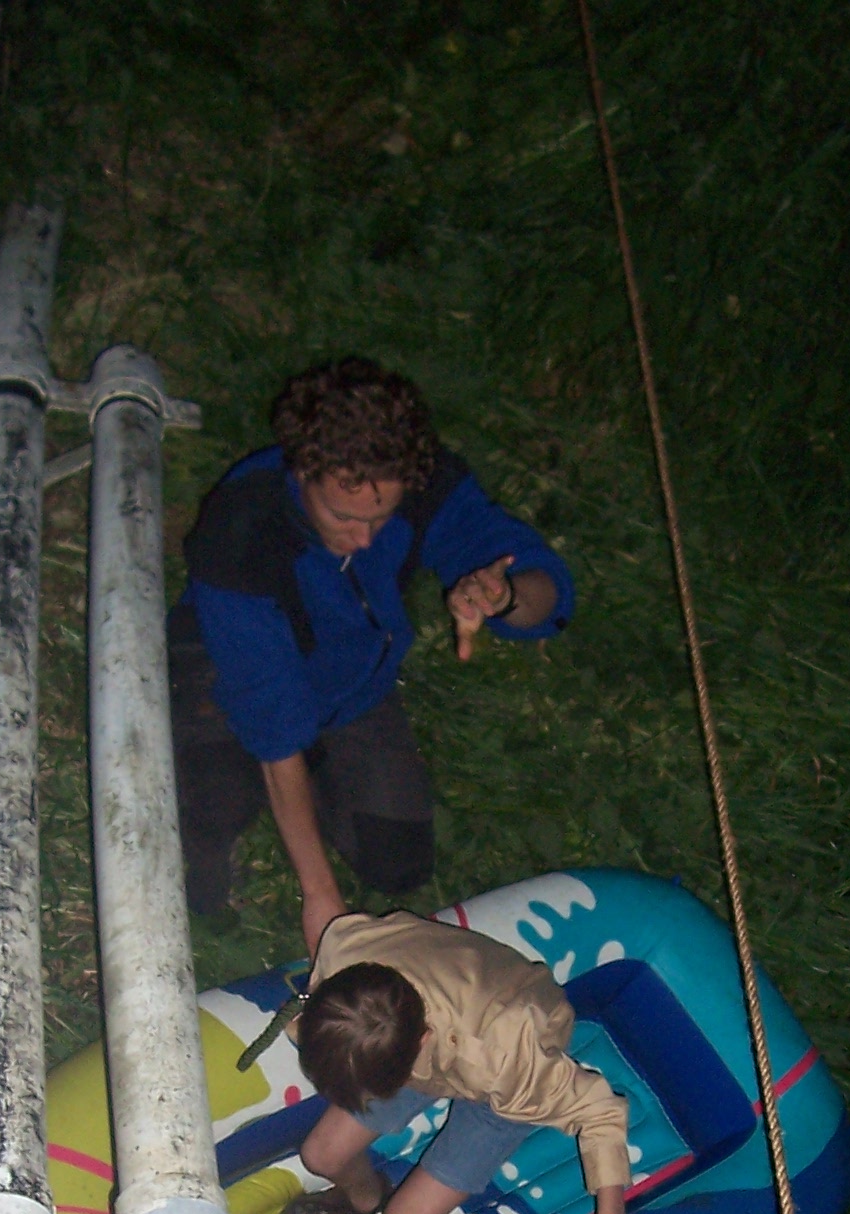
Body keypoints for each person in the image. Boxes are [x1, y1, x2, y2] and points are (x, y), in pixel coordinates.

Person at [168, 357, 574, 956]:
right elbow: (272, 718)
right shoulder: (241, 530)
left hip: (350, 683)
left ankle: (317, 761)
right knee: (212, 823)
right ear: (302, 469)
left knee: (400, 862)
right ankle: (212, 775)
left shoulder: (423, 484)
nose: (363, 539)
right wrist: (321, 898)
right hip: (226, 663)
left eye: (380, 518)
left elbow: (548, 590)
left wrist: (505, 594)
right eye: (343, 516)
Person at [282, 907, 640, 1214]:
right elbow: (323, 905)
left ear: (420, 1046)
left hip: (502, 1077)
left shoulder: (512, 1060)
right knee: (322, 1154)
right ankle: (363, 1197)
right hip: (418, 1032)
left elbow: (600, 1110)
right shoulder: (348, 962)